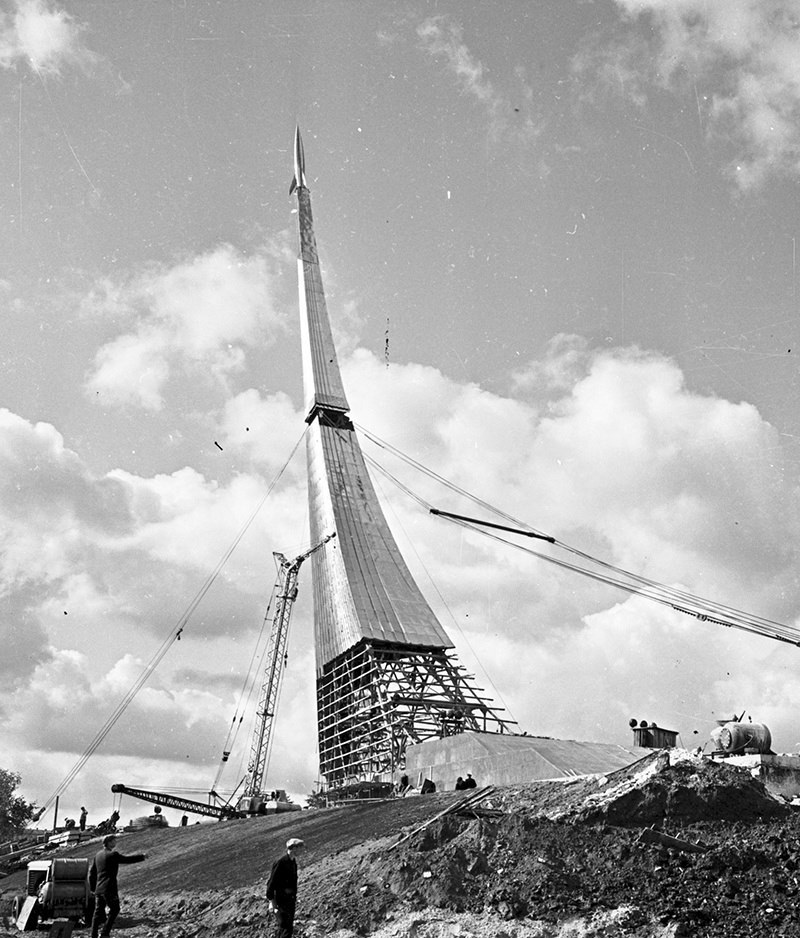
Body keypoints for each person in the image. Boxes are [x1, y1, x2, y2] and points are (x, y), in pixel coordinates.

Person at [89, 834, 146, 938]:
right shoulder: (113, 855)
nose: (116, 842)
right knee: (115, 909)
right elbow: (127, 860)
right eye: (114, 840)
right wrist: (142, 857)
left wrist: (93, 888)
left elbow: (92, 873)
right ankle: (105, 933)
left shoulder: (98, 855)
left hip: (99, 889)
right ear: (109, 842)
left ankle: (93, 934)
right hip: (109, 888)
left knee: (97, 913)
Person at [266, 837, 304, 938]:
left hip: (290, 901)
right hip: (281, 901)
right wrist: (272, 904)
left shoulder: (293, 862)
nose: (302, 850)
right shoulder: (281, 862)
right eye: (300, 847)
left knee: (286, 928)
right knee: (285, 929)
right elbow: (271, 884)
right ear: (294, 848)